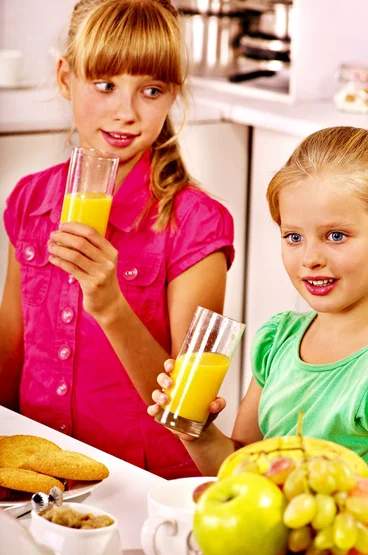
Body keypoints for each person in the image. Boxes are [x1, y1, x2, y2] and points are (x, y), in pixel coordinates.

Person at [150, 126, 368, 555]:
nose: (310, 258)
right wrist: (197, 429)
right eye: (293, 236)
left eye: (335, 235)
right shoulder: (278, 339)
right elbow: (240, 474)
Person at [0, 0, 235, 479]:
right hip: (40, 472)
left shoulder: (197, 225)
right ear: (66, 78)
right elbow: (10, 350)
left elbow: (188, 415)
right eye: (104, 85)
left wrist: (110, 305)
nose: (125, 112)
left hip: (142, 483)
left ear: (173, 96)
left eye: (150, 90)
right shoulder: (31, 200)